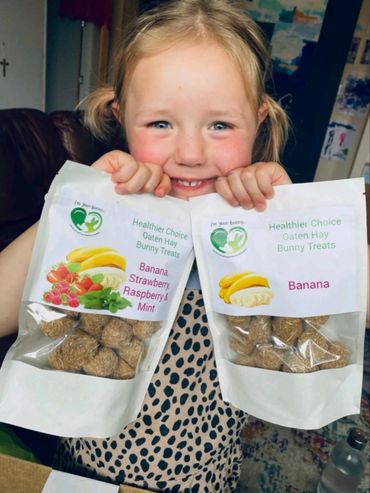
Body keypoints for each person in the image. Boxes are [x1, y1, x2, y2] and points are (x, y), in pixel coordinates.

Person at [0, 0, 295, 491]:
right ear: (121, 116)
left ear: (259, 121)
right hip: (83, 466)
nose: (191, 153)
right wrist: (74, 210)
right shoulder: (107, 221)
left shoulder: (258, 225)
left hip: (205, 477)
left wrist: (285, 223)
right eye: (161, 123)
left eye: (220, 124)